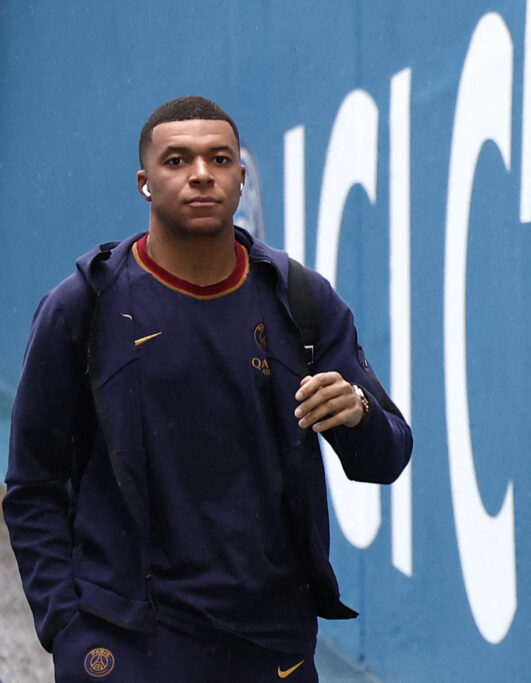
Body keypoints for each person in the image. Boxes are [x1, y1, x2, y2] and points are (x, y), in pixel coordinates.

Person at [3, 96, 412, 682]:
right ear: (145, 182)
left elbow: (387, 456)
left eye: (219, 159)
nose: (200, 174)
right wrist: (65, 625)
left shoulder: (300, 300)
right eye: (177, 160)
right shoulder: (83, 306)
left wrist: (357, 413)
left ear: (241, 178)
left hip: (271, 639)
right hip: (125, 640)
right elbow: (33, 485)